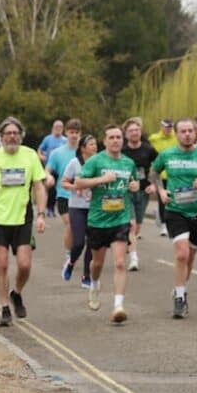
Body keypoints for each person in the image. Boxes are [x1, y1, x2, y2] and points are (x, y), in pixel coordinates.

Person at [0, 117, 48, 327]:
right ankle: (5, 307)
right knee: (2, 264)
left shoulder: (30, 155)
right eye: (8, 133)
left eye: (16, 133)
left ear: (21, 136)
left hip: (23, 218)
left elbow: (39, 187)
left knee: (24, 265)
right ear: (1, 137)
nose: (12, 136)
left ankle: (16, 293)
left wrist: (41, 214)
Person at [150, 118, 197, 318]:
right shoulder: (167, 154)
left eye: (190, 131)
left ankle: (180, 287)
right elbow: (154, 172)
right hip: (175, 210)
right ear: (177, 134)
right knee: (181, 254)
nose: (188, 134)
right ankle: (180, 298)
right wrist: (161, 191)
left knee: (190, 257)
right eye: (183, 131)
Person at [73, 124, 140, 323]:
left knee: (119, 262)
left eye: (118, 137)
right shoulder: (95, 161)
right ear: (105, 141)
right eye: (111, 137)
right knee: (98, 263)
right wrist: (102, 179)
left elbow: (135, 182)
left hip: (121, 218)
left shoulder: (128, 163)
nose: (115, 141)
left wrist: (135, 186)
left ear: (123, 140)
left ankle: (118, 306)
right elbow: (78, 183)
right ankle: (94, 283)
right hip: (98, 220)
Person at [58, 134, 97, 288]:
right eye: (91, 144)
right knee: (79, 242)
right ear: (83, 148)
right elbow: (63, 182)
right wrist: (76, 187)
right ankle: (71, 263)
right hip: (77, 207)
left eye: (95, 144)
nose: (94, 146)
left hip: (95, 208)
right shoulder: (75, 163)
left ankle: (86, 276)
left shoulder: (100, 163)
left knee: (92, 243)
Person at [46, 118, 82, 280]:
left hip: (83, 197)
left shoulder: (86, 152)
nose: (74, 135)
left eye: (77, 132)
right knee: (70, 225)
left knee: (82, 230)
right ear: (66, 133)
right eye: (71, 132)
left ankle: (78, 251)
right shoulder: (57, 153)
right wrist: (48, 177)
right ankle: (69, 255)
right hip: (64, 195)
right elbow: (47, 169)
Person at [122, 117, 159, 271]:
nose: (134, 133)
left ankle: (128, 242)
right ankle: (134, 258)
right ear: (126, 134)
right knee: (131, 225)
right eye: (131, 131)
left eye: (136, 130)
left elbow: (159, 166)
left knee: (137, 227)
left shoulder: (148, 149)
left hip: (143, 192)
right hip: (126, 192)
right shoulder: (122, 150)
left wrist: (154, 185)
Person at [148, 118, 178, 236]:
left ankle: (170, 221)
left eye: (170, 127)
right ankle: (164, 225)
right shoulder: (153, 138)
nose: (168, 129)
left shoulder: (176, 138)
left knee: (174, 199)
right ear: (161, 127)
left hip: (173, 174)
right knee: (162, 200)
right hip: (159, 174)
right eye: (166, 127)